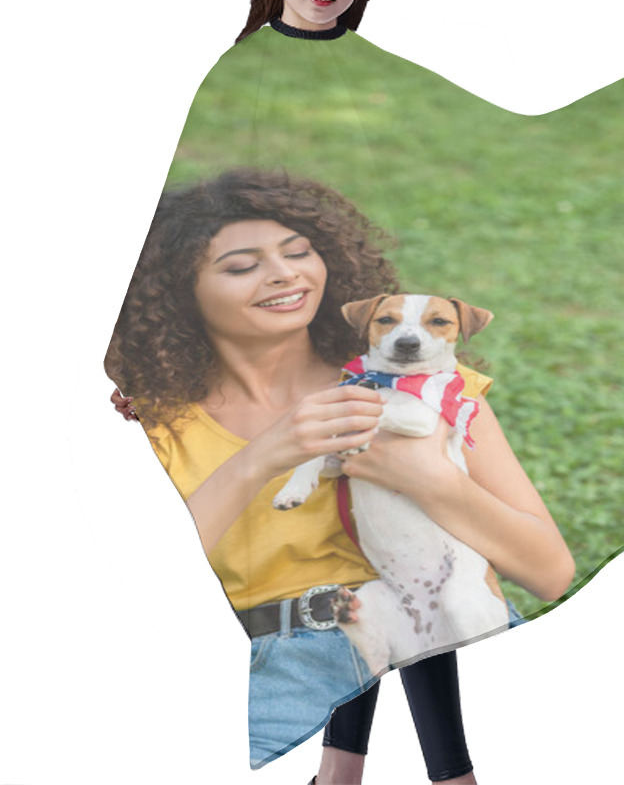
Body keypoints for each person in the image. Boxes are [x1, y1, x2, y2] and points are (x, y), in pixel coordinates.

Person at [107, 167, 574, 782]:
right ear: (176, 292)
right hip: (279, 667)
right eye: (242, 266)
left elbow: (549, 572)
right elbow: (136, 585)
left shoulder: (436, 395)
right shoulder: (154, 419)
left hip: (448, 633)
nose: (284, 273)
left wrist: (431, 478)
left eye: (299, 252)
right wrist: (265, 454)